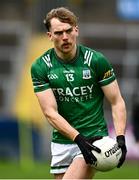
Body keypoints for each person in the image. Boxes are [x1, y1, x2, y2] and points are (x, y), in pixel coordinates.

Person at [31, 7, 127, 179]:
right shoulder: (41, 67)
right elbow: (50, 112)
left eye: (68, 31)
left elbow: (116, 101)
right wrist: (77, 138)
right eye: (59, 33)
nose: (65, 37)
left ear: (76, 30)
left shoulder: (96, 61)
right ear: (50, 36)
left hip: (94, 139)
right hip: (62, 141)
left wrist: (120, 137)